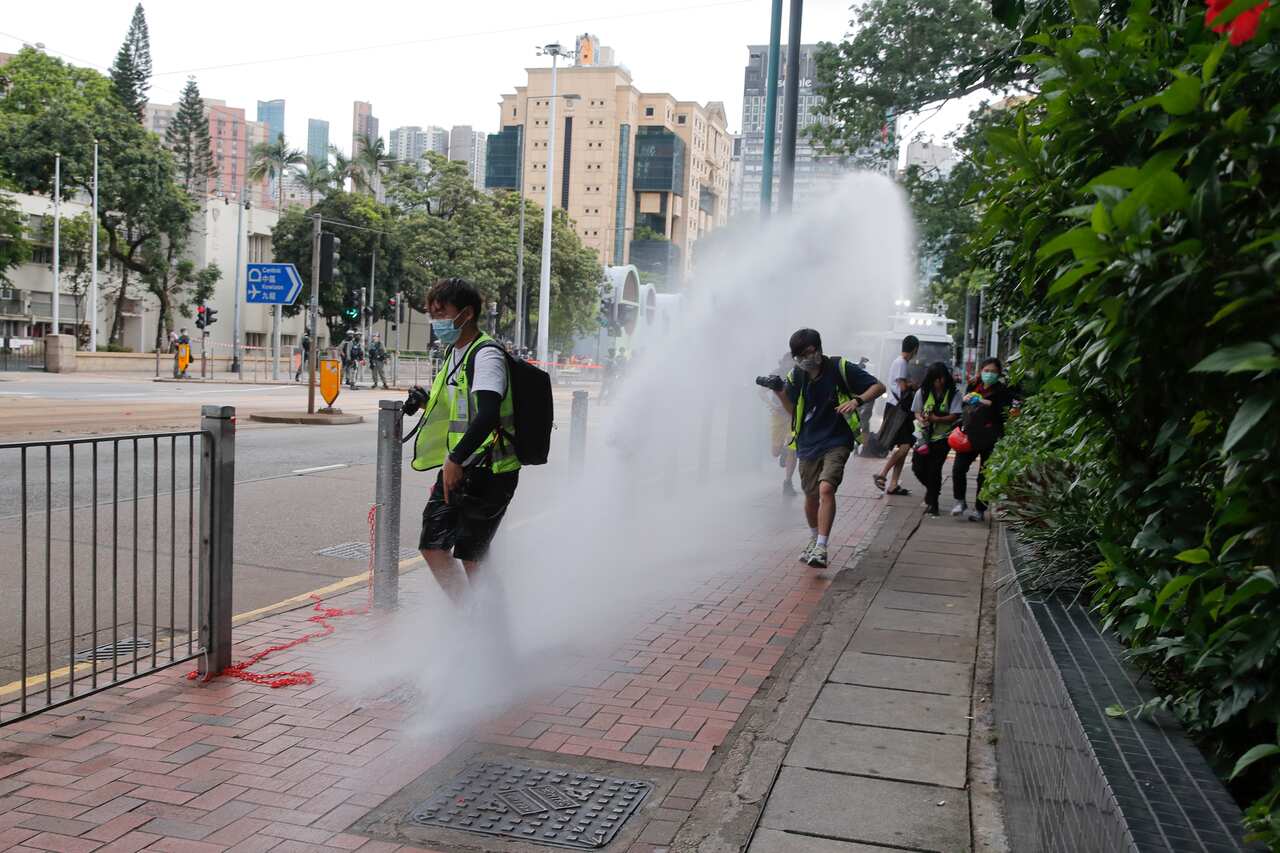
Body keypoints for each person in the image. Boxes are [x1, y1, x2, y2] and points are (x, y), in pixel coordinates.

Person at [409, 277, 521, 604]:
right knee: (432, 545)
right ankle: (468, 617)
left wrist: (455, 459)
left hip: (491, 468)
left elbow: (487, 414)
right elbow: (456, 406)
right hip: (461, 466)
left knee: (473, 558)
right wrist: (424, 401)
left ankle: (495, 633)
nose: (436, 321)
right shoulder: (454, 352)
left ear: (467, 313)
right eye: (432, 313)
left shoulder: (486, 355)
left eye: (442, 313)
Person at [765, 328, 885, 569]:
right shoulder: (796, 376)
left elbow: (879, 387)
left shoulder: (839, 367)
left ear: (818, 349)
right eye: (800, 355)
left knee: (826, 488)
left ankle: (821, 545)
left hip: (837, 440)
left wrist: (856, 401)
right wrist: (779, 392)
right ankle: (813, 538)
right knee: (811, 496)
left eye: (809, 352)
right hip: (808, 442)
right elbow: (791, 411)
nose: (805, 359)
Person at [951, 357, 1016, 522]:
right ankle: (960, 501)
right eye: (986, 371)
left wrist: (982, 401)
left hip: (991, 437)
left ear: (999, 374)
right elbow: (965, 406)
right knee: (959, 468)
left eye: (993, 372)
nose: (989, 374)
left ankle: (980, 509)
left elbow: (1002, 410)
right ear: (981, 371)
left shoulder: (1003, 391)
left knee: (984, 475)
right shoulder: (973, 385)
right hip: (970, 434)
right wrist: (967, 399)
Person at [911, 361, 963, 516]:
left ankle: (934, 503)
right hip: (923, 437)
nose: (939, 382)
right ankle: (931, 491)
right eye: (936, 379)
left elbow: (955, 415)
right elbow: (916, 411)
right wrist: (922, 419)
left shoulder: (954, 393)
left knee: (934, 470)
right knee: (918, 468)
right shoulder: (923, 392)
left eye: (942, 379)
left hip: (943, 438)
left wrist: (936, 419)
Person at [874, 335, 920, 498]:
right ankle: (882, 475)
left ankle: (893, 484)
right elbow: (901, 387)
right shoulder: (901, 363)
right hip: (897, 409)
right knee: (905, 446)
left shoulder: (899, 361)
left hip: (898, 408)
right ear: (915, 349)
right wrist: (913, 385)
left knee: (904, 446)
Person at [762, 353, 798, 496]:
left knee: (792, 448)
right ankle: (782, 450)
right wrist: (771, 405)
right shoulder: (775, 374)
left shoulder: (798, 375)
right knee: (775, 452)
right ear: (782, 362)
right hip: (778, 415)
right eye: (787, 362)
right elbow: (761, 392)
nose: (790, 364)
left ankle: (788, 482)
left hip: (793, 416)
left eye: (792, 362)